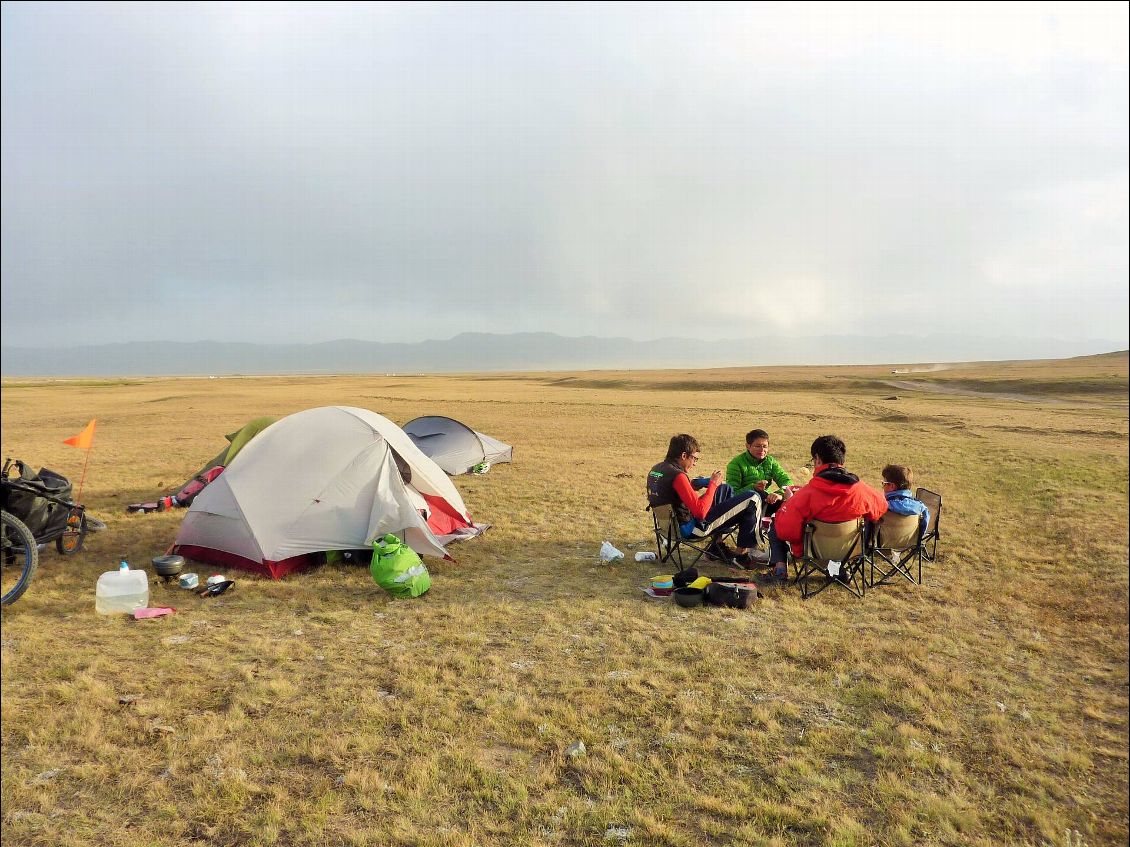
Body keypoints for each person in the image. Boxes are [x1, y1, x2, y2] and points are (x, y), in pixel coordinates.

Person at [763, 434, 888, 583]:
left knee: (776, 522)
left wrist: (788, 503)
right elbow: (882, 508)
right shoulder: (861, 490)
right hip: (852, 552)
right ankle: (838, 569)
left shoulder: (807, 493)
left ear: (817, 459)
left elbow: (786, 531)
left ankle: (780, 570)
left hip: (813, 552)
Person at [647, 434, 764, 568]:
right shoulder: (678, 476)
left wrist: (698, 484)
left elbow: (671, 493)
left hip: (669, 526)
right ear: (684, 455)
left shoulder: (657, 469)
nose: (695, 463)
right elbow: (701, 512)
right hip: (691, 529)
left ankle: (716, 546)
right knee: (752, 498)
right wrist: (713, 484)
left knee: (724, 488)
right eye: (694, 458)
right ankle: (742, 556)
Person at [725, 428, 793, 515]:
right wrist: (753, 488)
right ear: (748, 446)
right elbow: (732, 495)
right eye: (758, 446)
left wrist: (778, 495)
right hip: (745, 507)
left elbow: (787, 481)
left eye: (765, 446)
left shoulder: (770, 461)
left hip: (768, 502)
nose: (762, 450)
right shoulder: (736, 464)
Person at [880, 465, 929, 533]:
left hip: (883, 543)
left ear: (892, 486)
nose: (882, 487)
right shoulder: (921, 508)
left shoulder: (881, 506)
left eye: (884, 483)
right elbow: (923, 531)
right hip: (911, 543)